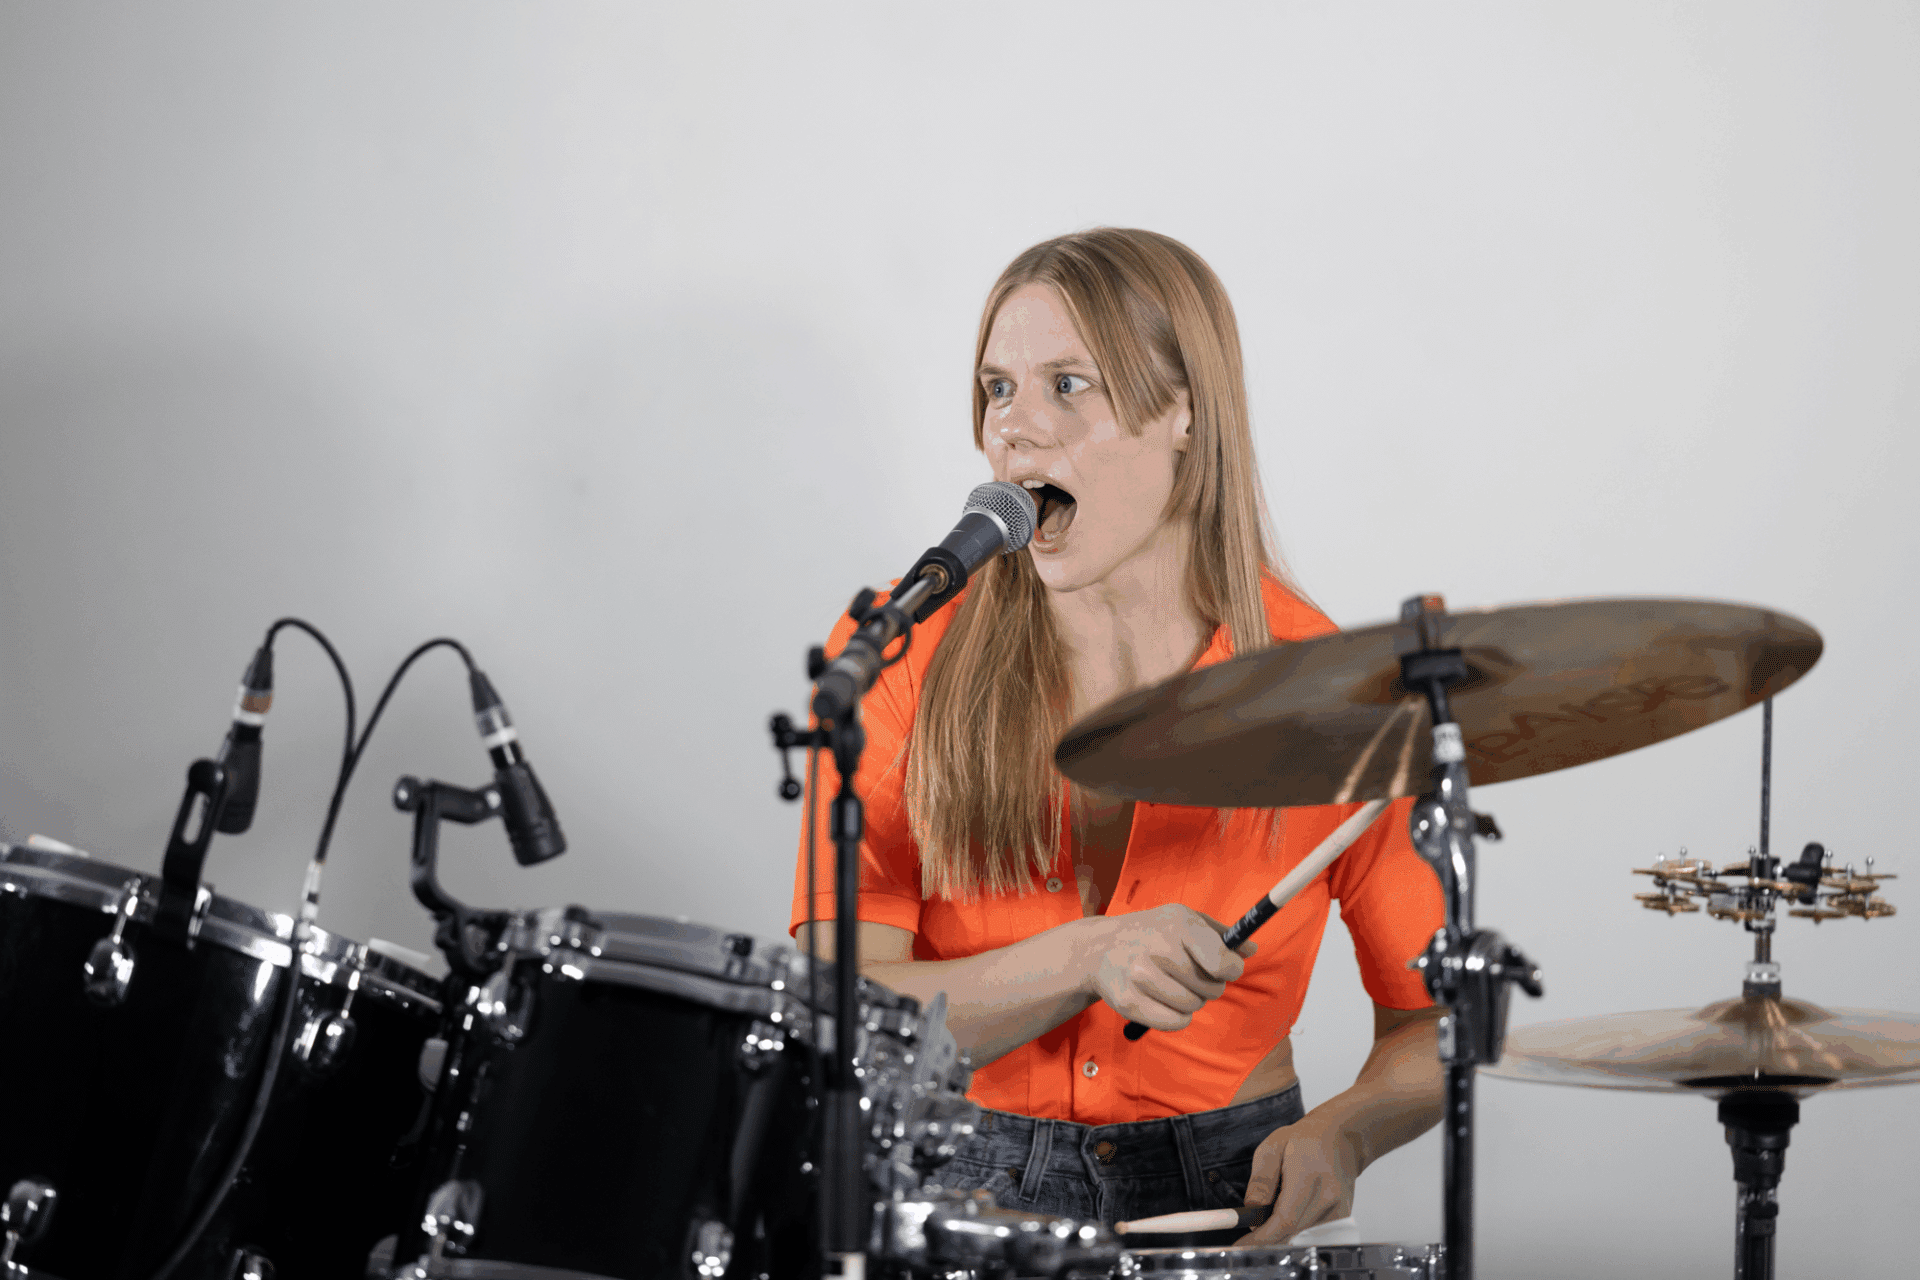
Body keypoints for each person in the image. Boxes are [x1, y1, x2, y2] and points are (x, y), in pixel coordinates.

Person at [790, 227, 1444, 1244]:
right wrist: (1086, 955)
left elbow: (1431, 1021)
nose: (1015, 429)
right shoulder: (902, 647)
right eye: (997, 389)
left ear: (1185, 411)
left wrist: (1348, 1132)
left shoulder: (1331, 690)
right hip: (956, 1176)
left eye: (1069, 384)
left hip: (1225, 1182)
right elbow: (843, 1012)